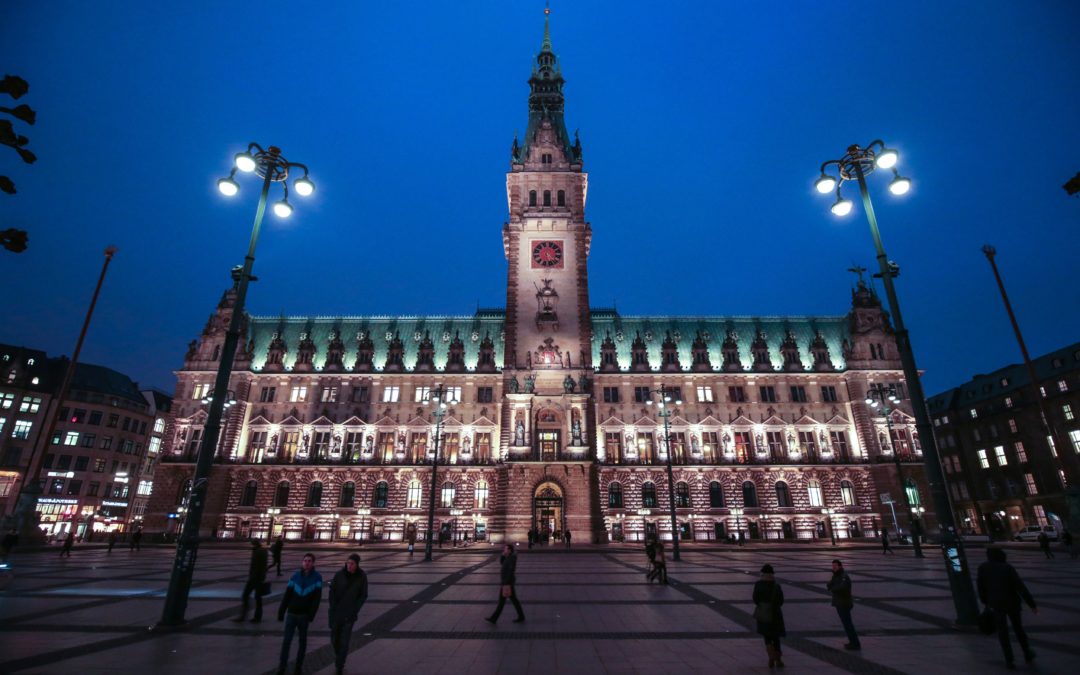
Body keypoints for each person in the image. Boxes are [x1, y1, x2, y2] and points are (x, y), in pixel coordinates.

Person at [977, 547, 1037, 667]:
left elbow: (980, 586)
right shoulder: (1007, 567)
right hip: (1012, 603)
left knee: (1002, 632)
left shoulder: (983, 568)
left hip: (995, 604)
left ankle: (1009, 659)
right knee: (1018, 629)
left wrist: (985, 601)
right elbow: (1020, 586)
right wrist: (1032, 604)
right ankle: (1026, 652)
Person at [277, 553, 323, 675]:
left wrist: (311, 614)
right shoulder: (295, 576)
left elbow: (317, 599)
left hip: (304, 615)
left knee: (302, 642)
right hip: (292, 613)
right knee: (287, 641)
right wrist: (282, 610)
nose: (306, 563)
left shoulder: (317, 578)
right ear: (302, 562)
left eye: (309, 561)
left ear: (313, 563)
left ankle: (298, 666)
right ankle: (282, 666)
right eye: (305, 561)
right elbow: (287, 595)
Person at [328, 553, 368, 675]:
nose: (349, 565)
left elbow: (363, 595)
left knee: (344, 641)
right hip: (336, 613)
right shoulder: (339, 575)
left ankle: (340, 664)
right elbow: (332, 592)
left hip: (349, 614)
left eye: (352, 564)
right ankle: (339, 656)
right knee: (334, 639)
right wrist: (333, 606)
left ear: (357, 565)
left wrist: (355, 609)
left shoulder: (361, 577)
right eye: (348, 563)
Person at [753, 564, 786, 668]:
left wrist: (762, 605)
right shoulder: (776, 585)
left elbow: (755, 598)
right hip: (775, 613)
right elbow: (781, 600)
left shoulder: (758, 584)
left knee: (767, 636)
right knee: (776, 637)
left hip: (764, 613)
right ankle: (778, 660)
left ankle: (771, 656)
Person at [486, 544, 525, 624]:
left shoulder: (511, 558)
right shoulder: (509, 557)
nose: (504, 550)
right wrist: (502, 556)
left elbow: (510, 571)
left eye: (505, 549)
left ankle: (494, 618)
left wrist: (506, 583)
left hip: (507, 583)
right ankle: (521, 616)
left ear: (510, 550)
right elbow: (502, 563)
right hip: (507, 582)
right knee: (513, 600)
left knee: (503, 601)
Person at [827, 560, 860, 650]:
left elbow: (842, 588)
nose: (834, 567)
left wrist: (833, 588)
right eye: (833, 566)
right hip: (839, 603)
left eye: (835, 566)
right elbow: (829, 585)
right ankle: (852, 642)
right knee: (846, 624)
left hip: (844, 603)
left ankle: (855, 643)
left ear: (840, 566)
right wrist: (832, 580)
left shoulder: (844, 576)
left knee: (848, 624)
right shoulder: (836, 575)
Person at [234, 540, 269, 623]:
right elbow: (264, 566)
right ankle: (257, 617)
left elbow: (256, 567)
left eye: (252, 544)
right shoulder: (262, 552)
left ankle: (243, 616)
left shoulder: (258, 552)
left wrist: (253, 576)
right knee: (258, 598)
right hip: (259, 578)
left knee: (246, 595)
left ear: (254, 544)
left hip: (255, 578)